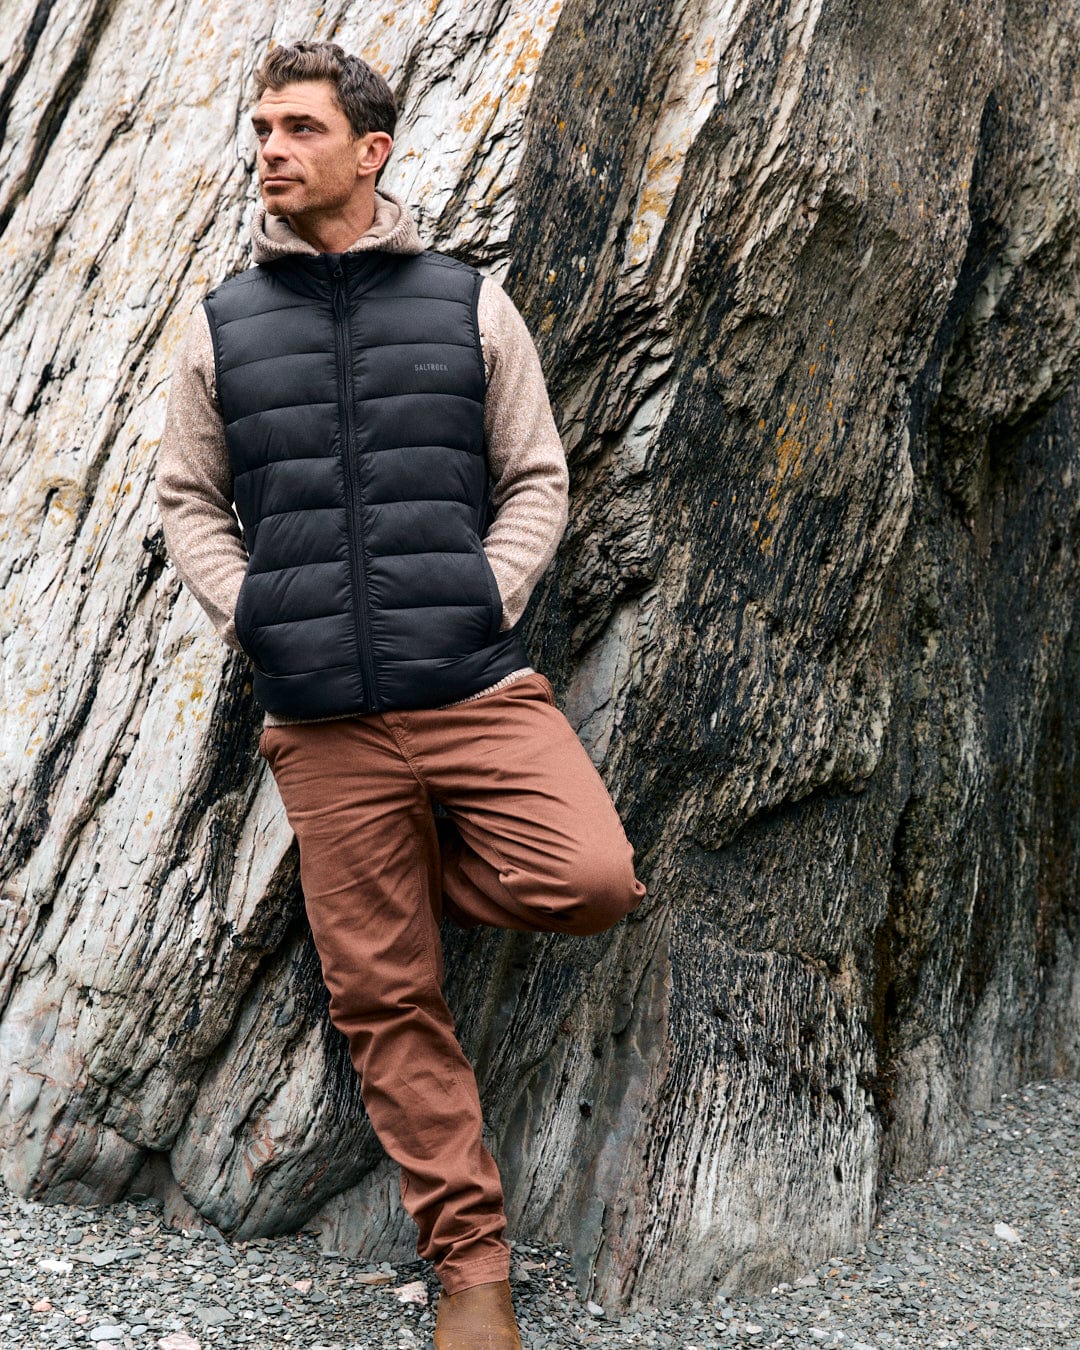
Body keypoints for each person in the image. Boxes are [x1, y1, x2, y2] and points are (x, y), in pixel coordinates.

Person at [155, 39, 647, 1350]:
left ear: (370, 152)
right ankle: (472, 1273)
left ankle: (389, 877)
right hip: (319, 721)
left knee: (593, 877)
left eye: (299, 128)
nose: (269, 148)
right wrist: (254, 606)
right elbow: (188, 502)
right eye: (261, 126)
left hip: (476, 688)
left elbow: (537, 474)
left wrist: (487, 589)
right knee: (387, 1001)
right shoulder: (223, 329)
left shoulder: (466, 304)